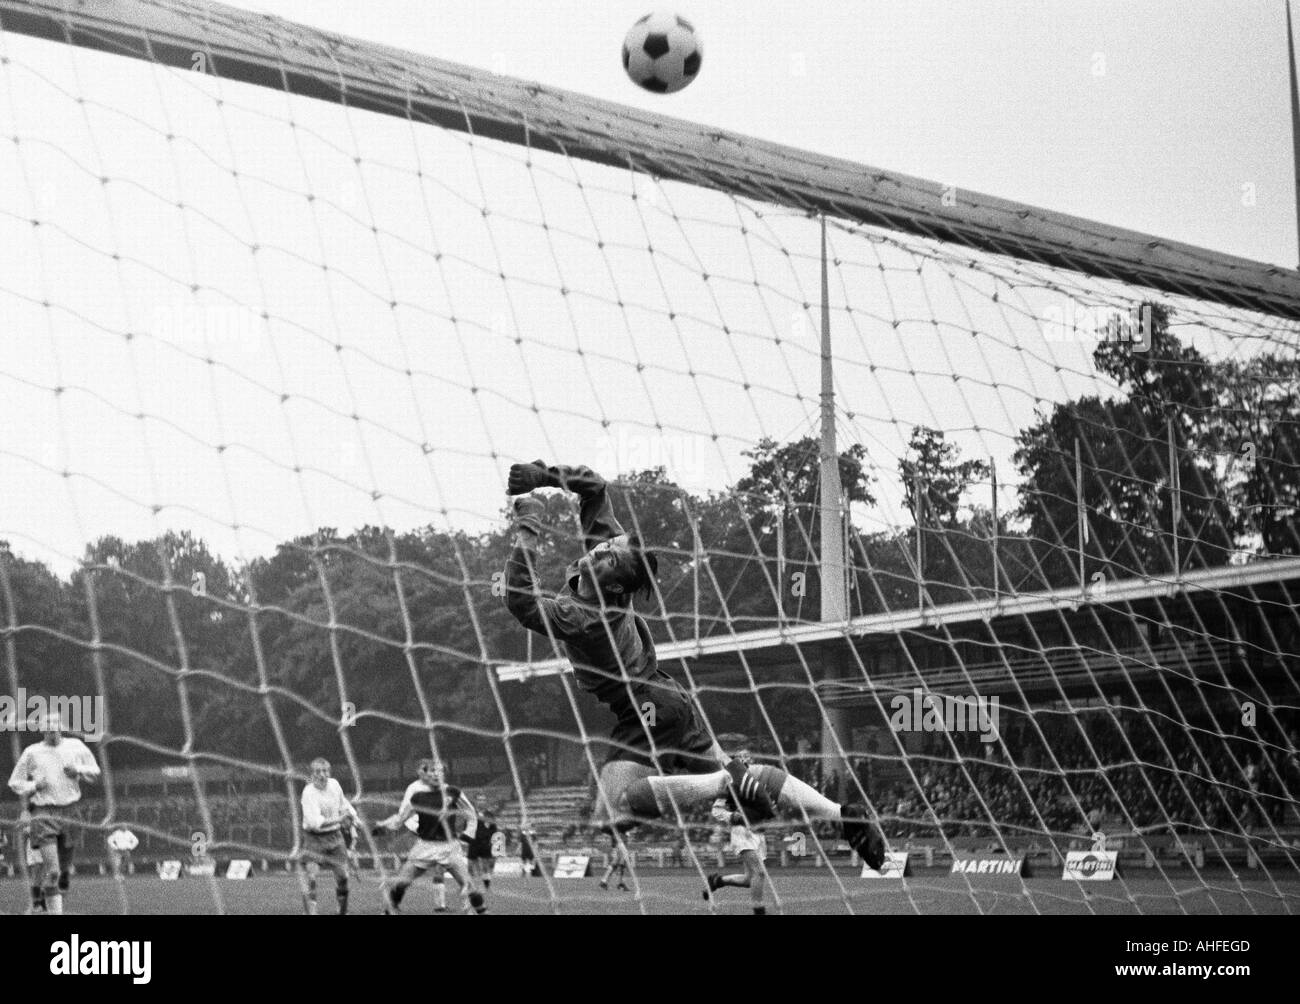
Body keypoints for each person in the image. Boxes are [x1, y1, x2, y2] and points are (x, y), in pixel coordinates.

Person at [502, 461, 884, 868]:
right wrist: (543, 476)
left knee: (614, 810)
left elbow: (520, 600)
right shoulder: (605, 572)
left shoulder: (586, 618)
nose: (602, 548)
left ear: (613, 585)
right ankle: (843, 815)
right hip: (667, 698)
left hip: (644, 705)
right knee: (738, 776)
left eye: (611, 556)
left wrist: (529, 526)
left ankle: (726, 782)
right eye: (609, 547)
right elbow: (594, 487)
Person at [7, 713, 100, 915]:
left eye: (55, 724)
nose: (52, 728)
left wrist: (78, 770)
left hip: (71, 812)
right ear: (41, 729)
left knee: (63, 873)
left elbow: (95, 771)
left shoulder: (75, 746)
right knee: (53, 870)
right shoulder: (32, 752)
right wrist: (33, 785)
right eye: (47, 725)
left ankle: (43, 904)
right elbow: (14, 782)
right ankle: (46, 908)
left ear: (61, 726)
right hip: (44, 812)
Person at [372, 759, 486, 915]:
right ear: (425, 774)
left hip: (449, 847)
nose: (435, 774)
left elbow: (470, 813)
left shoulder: (453, 792)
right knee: (402, 882)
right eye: (431, 771)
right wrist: (383, 826)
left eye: (439, 771)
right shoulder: (418, 797)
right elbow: (401, 818)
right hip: (424, 846)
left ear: (444, 774)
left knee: (468, 884)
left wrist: (467, 836)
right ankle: (390, 909)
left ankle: (482, 911)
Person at [703, 752, 771, 914]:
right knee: (759, 873)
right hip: (742, 832)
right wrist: (731, 816)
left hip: (758, 833)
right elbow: (716, 810)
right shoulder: (729, 784)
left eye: (748, 763)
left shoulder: (758, 783)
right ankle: (759, 911)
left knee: (749, 879)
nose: (747, 767)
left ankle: (717, 881)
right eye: (743, 763)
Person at [298, 757, 360, 915]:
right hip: (314, 838)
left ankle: (342, 911)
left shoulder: (334, 785)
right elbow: (314, 823)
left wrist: (354, 817)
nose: (322, 775)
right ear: (312, 775)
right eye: (318, 772)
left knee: (343, 878)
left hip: (334, 837)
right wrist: (340, 819)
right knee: (311, 877)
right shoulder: (308, 793)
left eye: (325, 771)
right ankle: (311, 912)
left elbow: (343, 803)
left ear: (329, 772)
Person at [467, 807, 499, 891]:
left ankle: (486, 887)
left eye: (482, 799)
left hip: (485, 844)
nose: (481, 801)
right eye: (479, 799)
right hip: (473, 843)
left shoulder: (489, 814)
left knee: (485, 866)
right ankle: (470, 886)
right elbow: (467, 827)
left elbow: (494, 829)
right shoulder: (472, 814)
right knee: (470, 865)